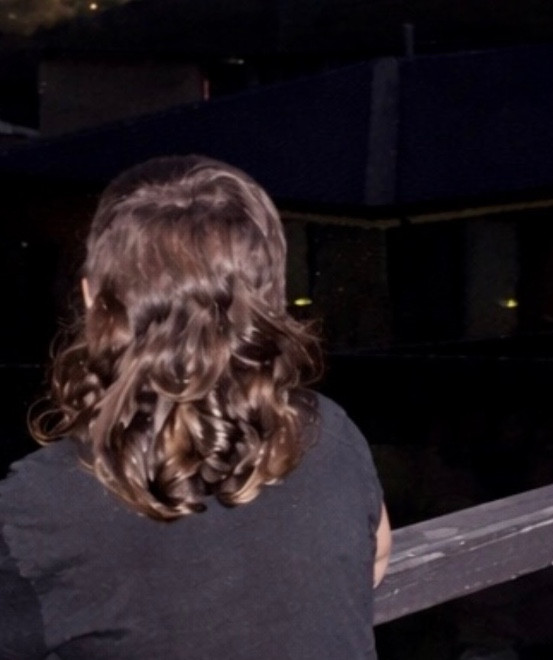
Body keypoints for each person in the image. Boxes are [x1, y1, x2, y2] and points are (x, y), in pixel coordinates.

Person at [0, 154, 391, 659]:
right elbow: (374, 560)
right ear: (271, 297)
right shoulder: (326, 432)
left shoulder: (38, 508)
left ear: (93, 300)